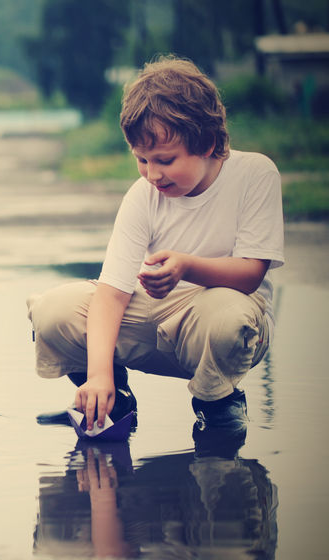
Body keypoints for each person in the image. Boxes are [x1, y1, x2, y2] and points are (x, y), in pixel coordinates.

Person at [27, 55, 284, 440]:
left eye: (165, 160)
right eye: (141, 160)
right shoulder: (143, 194)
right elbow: (112, 294)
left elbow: (250, 273)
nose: (152, 174)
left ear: (208, 143)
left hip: (217, 315)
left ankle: (217, 402)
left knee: (230, 320)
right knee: (52, 310)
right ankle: (112, 397)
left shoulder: (254, 175)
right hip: (155, 315)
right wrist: (97, 376)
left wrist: (185, 266)